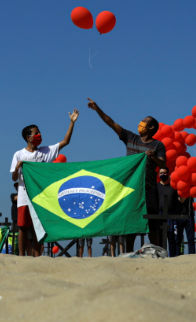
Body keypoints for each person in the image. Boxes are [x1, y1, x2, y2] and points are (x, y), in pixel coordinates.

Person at [86, 99, 166, 248]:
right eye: (142, 120)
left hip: (149, 189)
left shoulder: (158, 145)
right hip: (130, 189)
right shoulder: (131, 138)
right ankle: (128, 253)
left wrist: (153, 157)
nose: (141, 123)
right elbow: (111, 123)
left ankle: (156, 251)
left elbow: (163, 164)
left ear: (151, 127)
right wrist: (97, 109)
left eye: (144, 121)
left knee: (152, 223)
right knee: (131, 222)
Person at [11, 110, 80, 257]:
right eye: (36, 133)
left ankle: (37, 256)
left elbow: (65, 142)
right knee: (22, 227)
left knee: (38, 227)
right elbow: (13, 178)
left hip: (40, 197)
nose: (39, 135)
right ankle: (21, 256)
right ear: (28, 137)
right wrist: (17, 168)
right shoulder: (19, 154)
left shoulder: (45, 151)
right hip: (24, 195)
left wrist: (72, 122)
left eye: (39, 132)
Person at [157, 166, 187, 256]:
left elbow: (181, 200)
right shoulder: (156, 186)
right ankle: (162, 257)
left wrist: (187, 191)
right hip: (160, 216)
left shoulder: (173, 186)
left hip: (172, 216)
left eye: (165, 173)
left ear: (168, 174)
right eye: (161, 173)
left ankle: (173, 257)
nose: (163, 174)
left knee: (173, 238)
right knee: (161, 238)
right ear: (158, 174)